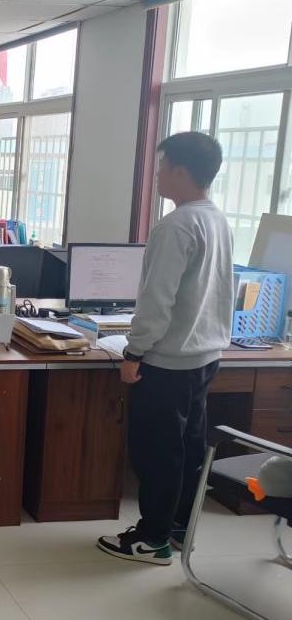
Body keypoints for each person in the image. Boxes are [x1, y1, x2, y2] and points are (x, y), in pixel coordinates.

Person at [98, 132, 232, 566]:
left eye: (162, 166)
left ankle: (152, 540)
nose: (156, 175)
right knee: (187, 450)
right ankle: (176, 529)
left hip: (168, 362)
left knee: (156, 453)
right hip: (204, 356)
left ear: (181, 171)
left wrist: (133, 353)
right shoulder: (216, 219)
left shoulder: (175, 226)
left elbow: (157, 301)